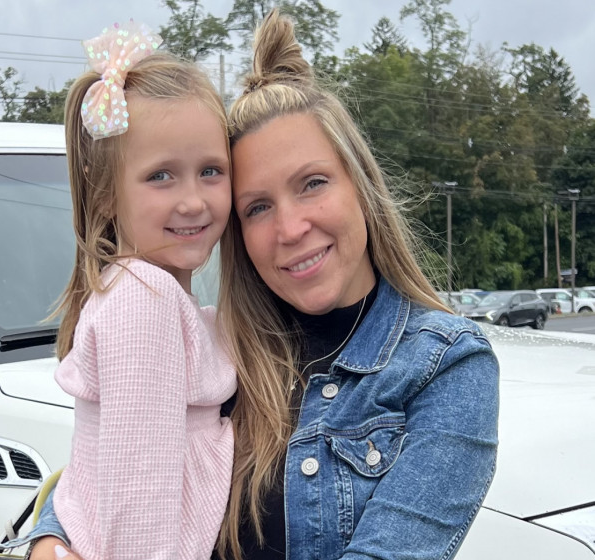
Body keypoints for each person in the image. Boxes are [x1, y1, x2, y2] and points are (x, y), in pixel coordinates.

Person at [28, 10, 499, 560]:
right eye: (257, 207)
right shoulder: (225, 343)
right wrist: (49, 539)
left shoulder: (445, 367)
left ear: (362, 184)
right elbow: (113, 471)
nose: (291, 228)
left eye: (312, 184)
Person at [1, 19, 237, 560]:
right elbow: (138, 509)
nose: (193, 200)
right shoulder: (144, 300)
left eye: (211, 170)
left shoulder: (143, 294)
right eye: (161, 176)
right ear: (106, 194)